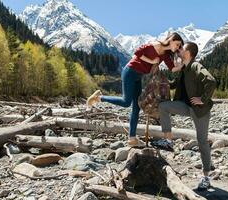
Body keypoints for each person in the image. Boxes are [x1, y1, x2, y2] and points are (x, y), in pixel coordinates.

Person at [86, 32, 184, 147]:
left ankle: (132, 139)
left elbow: (172, 69)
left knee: (136, 107)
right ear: (171, 40)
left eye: (179, 46)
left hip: (138, 77)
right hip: (130, 72)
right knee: (126, 102)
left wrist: (183, 64)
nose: (177, 47)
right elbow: (137, 53)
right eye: (177, 44)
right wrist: (152, 61)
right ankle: (99, 98)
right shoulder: (154, 45)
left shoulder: (166, 55)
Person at [154, 42, 216, 190]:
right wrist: (159, 77)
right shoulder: (184, 68)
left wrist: (203, 99)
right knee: (163, 107)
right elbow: (174, 84)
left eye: (182, 49)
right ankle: (168, 141)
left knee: (202, 142)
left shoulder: (196, 66)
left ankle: (206, 177)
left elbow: (211, 81)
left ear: (188, 53)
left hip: (200, 110)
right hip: (186, 106)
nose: (179, 50)